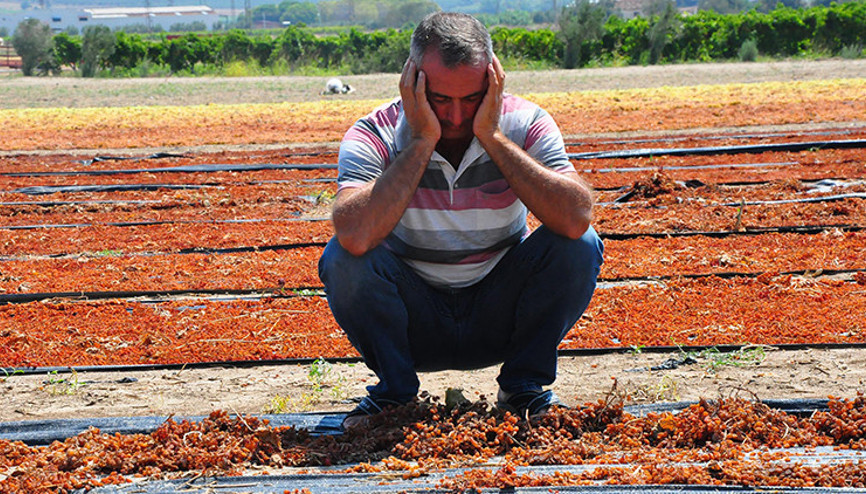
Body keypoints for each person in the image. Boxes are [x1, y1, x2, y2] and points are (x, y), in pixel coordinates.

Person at [318, 11, 604, 429]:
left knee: (579, 245)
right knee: (344, 258)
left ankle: (524, 387)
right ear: (411, 81)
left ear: (494, 81)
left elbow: (577, 218)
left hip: (498, 310)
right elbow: (355, 235)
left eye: (471, 99)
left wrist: (493, 136)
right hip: (415, 318)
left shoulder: (525, 123)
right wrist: (420, 142)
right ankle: (394, 395)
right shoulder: (375, 132)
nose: (455, 117)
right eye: (439, 100)